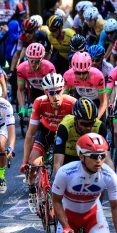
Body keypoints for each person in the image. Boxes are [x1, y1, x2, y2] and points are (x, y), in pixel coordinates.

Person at [21, 73, 76, 212]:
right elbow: (30, 134)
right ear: (46, 92)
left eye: (58, 91)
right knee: (33, 165)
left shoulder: (72, 103)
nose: (55, 96)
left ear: (63, 89)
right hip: (46, 132)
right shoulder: (39, 102)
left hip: (64, 135)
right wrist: (24, 161)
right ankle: (32, 189)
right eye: (51, 93)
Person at [53, 97, 111, 174]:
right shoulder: (64, 127)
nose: (88, 128)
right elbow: (57, 164)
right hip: (68, 157)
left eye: (91, 124)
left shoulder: (100, 127)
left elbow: (107, 158)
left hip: (89, 157)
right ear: (75, 120)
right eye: (84, 124)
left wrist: (113, 178)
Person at [63, 52, 107, 120]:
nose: (81, 76)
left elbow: (103, 102)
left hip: (96, 100)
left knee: (100, 127)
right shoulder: (67, 76)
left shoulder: (98, 76)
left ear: (89, 69)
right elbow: (64, 98)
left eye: (84, 73)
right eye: (77, 73)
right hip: (79, 98)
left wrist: (96, 120)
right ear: (73, 69)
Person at [16, 43, 56, 117]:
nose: (34, 64)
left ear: (42, 58)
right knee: (30, 114)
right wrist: (22, 108)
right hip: (34, 91)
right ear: (27, 58)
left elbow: (54, 88)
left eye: (37, 61)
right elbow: (20, 89)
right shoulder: (21, 68)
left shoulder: (49, 67)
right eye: (31, 60)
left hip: (48, 91)